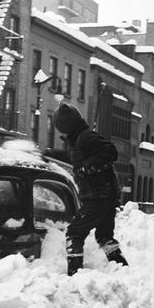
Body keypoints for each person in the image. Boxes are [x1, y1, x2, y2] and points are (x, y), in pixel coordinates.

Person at [53, 103, 128, 275]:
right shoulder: (78, 140)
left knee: (74, 232)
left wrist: (87, 167)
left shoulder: (86, 137)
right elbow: (74, 158)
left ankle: (75, 273)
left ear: (65, 126)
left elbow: (110, 152)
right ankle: (122, 270)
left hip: (99, 196)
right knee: (104, 236)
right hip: (106, 195)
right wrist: (51, 153)